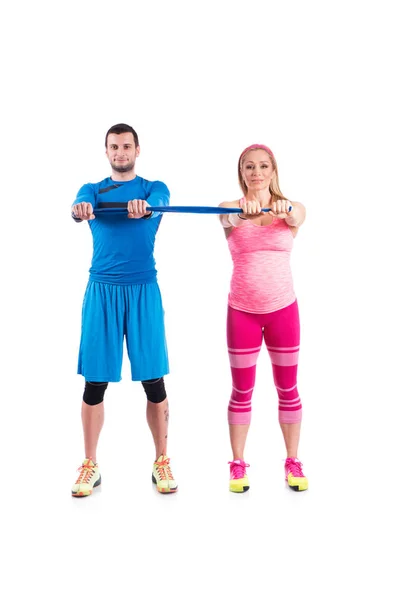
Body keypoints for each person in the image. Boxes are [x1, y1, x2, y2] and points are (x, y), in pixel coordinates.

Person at [70, 123, 177, 496]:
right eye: (114, 147)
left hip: (143, 290)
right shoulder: (93, 191)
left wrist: (147, 208)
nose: (120, 152)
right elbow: (77, 207)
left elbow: (162, 202)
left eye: (126, 146)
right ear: (106, 152)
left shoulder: (152, 188)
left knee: (153, 380)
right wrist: (82, 209)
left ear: (137, 149)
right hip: (102, 291)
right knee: (95, 383)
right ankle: (89, 464)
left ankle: (161, 460)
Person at [218, 144, 308, 493]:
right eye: (249, 167)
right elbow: (227, 219)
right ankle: (238, 465)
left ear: (273, 171)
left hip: (283, 310)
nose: (256, 172)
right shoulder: (227, 207)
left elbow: (298, 216)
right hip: (242, 312)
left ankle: (292, 460)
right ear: (242, 172)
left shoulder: (291, 207)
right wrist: (243, 213)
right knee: (242, 390)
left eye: (263, 166)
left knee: (288, 388)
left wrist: (285, 209)